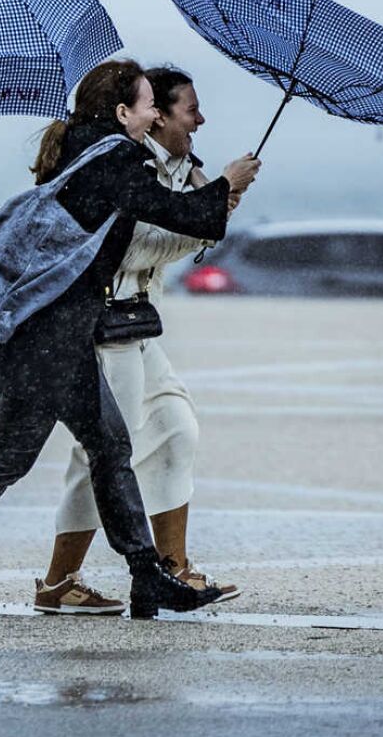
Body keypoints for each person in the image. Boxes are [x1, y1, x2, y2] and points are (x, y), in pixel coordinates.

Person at [0, 59, 261, 619]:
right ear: (124, 113)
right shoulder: (114, 157)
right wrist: (226, 188)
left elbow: (169, 215)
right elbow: (170, 212)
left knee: (50, 454)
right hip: (54, 334)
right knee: (75, 452)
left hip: (38, 330)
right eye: (147, 106)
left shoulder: (84, 151)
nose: (153, 114)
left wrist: (211, 199)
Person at [36, 66, 239, 615]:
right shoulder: (120, 166)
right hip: (104, 329)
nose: (199, 119)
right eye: (185, 109)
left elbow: (168, 236)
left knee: (176, 430)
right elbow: (132, 249)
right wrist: (209, 211)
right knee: (99, 455)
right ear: (148, 115)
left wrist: (210, 205)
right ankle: (58, 581)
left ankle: (174, 568)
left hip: (136, 323)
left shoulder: (169, 167)